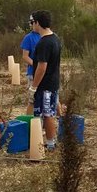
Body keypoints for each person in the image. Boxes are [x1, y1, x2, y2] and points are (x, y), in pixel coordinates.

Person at [29, 10, 62, 151]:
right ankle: (50, 141)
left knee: (46, 114)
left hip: (45, 85)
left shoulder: (44, 43)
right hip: (53, 82)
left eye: (32, 22)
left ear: (38, 23)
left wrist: (34, 87)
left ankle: (49, 143)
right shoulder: (55, 38)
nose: (32, 25)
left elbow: (42, 67)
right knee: (49, 113)